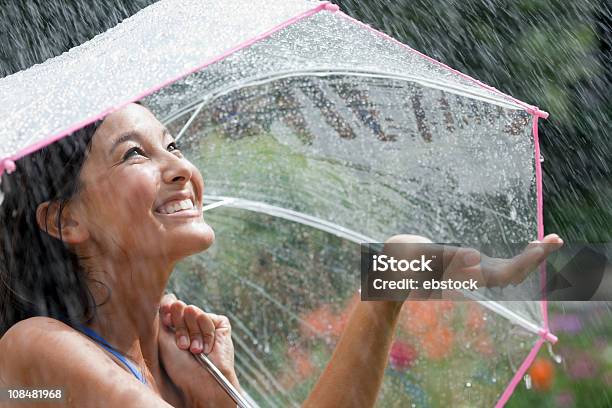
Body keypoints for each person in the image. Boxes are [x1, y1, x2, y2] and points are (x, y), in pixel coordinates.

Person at [0, 102, 563, 407]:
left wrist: (387, 284)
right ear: (64, 219)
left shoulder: (178, 370)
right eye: (133, 155)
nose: (178, 169)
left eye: (172, 145)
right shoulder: (36, 356)